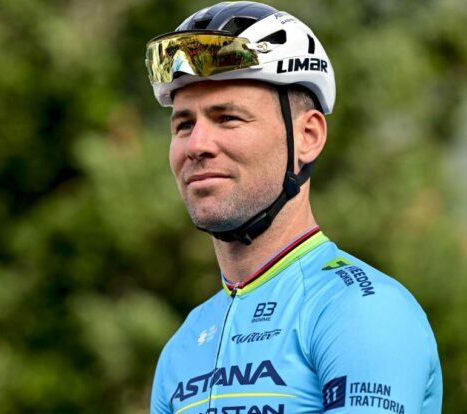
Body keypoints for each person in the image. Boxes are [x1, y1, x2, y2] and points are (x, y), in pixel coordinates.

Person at [145, 2, 442, 413]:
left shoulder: (361, 310)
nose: (197, 146)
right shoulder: (184, 344)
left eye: (228, 117)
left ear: (307, 136)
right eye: (183, 124)